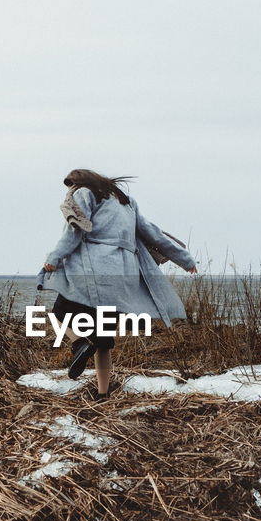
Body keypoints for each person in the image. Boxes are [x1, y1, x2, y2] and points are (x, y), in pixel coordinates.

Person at [39, 169, 197, 399]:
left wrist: (52, 259)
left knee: (59, 312)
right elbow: (153, 233)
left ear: (79, 182)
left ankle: (78, 345)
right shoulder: (126, 202)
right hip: (123, 277)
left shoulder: (84, 194)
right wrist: (185, 259)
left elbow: (75, 231)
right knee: (103, 338)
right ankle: (103, 393)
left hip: (94, 269)